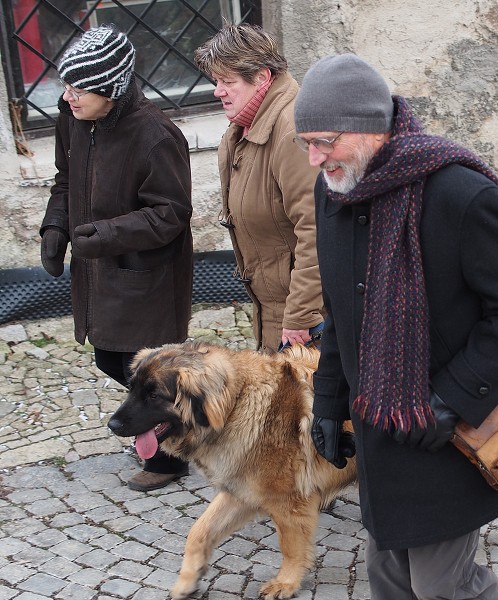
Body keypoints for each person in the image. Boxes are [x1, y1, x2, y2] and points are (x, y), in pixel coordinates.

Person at [293, 54, 498, 599]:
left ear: (369, 128)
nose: (315, 158)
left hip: (447, 432)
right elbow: (341, 313)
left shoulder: (461, 195)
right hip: (379, 430)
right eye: (305, 144)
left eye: (324, 141)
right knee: (389, 578)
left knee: (442, 586)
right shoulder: (334, 190)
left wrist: (453, 399)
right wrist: (328, 402)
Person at [40, 25, 193, 493]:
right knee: (108, 355)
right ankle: (173, 429)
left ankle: (169, 455)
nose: (67, 97)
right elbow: (66, 178)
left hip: (146, 276)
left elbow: (171, 214)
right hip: (99, 269)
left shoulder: (156, 135)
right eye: (65, 85)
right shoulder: (75, 119)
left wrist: (102, 235)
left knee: (149, 371)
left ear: (109, 88)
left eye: (77, 88)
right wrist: (55, 227)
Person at [194, 24, 324, 353]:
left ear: (262, 77)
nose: (217, 91)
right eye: (216, 81)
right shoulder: (244, 126)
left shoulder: (291, 131)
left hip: (307, 322)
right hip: (274, 312)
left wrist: (301, 316)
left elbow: (316, 230)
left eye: (228, 82)